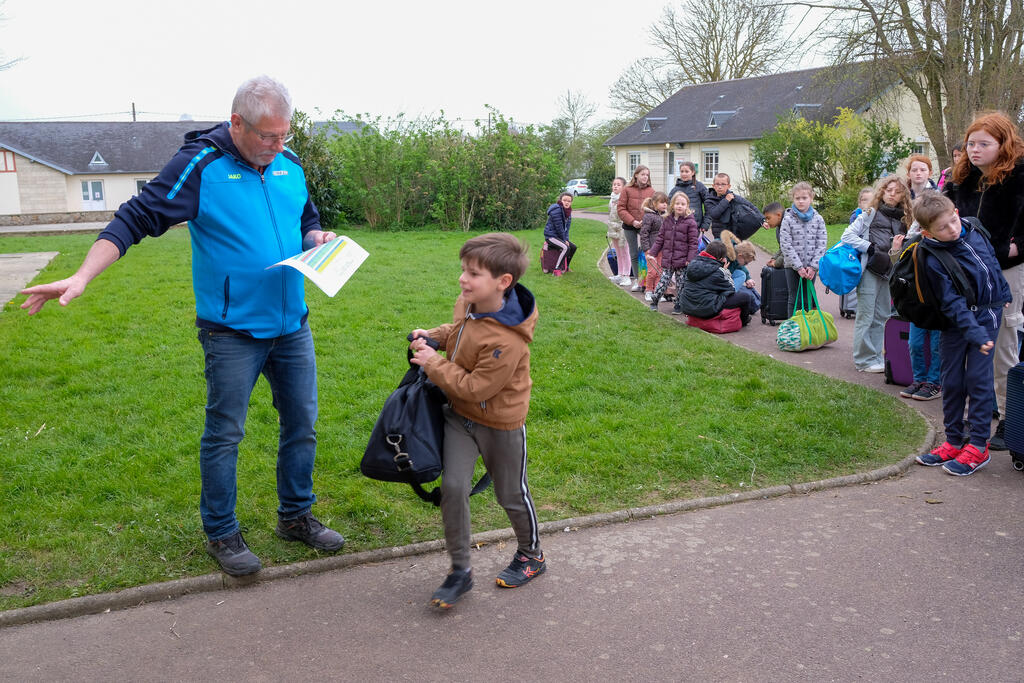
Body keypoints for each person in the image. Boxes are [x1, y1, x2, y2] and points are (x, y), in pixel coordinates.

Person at [19, 75, 345, 576]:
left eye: (285, 136)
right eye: (268, 137)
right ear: (237, 123)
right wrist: (82, 275)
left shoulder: (289, 164)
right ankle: (222, 532)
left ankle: (296, 517)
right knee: (225, 432)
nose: (279, 147)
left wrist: (317, 235)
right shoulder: (199, 166)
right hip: (231, 331)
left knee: (301, 424)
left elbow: (305, 216)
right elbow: (135, 217)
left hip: (291, 324)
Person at [408, 232, 543, 609]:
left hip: (500, 423)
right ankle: (460, 570)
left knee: (511, 494)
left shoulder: (508, 341)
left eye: (473, 273)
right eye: (463, 270)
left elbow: (475, 387)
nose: (463, 279)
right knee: (452, 488)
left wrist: (433, 365)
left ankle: (532, 555)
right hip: (459, 418)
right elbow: (459, 333)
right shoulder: (469, 304)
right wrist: (433, 337)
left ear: (503, 283)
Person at [912, 192, 1011, 475]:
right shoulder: (931, 258)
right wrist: (975, 334)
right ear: (926, 232)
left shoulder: (975, 229)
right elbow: (952, 304)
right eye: (942, 228)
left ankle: (979, 446)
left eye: (953, 221)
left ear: (956, 211)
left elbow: (992, 262)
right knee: (952, 381)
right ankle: (954, 440)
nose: (952, 230)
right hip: (957, 323)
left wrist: (1003, 292)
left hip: (988, 315)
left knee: (979, 382)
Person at [944, 111, 1024, 450]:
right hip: (963, 275)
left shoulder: (1019, 177)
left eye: (983, 144)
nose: (974, 150)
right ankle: (964, 420)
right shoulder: (961, 178)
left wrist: (1010, 249)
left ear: (1003, 144)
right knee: (961, 345)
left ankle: (1009, 420)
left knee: (1003, 344)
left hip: (1005, 273)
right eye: (970, 143)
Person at [841, 176, 912, 373]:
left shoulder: (904, 218)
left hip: (888, 271)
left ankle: (875, 356)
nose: (892, 194)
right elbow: (846, 236)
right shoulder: (871, 213)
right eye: (888, 190)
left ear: (903, 195)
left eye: (897, 191)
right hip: (870, 270)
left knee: (881, 315)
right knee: (866, 314)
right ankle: (863, 360)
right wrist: (869, 247)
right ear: (882, 191)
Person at [779, 182, 829, 317]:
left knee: (807, 300)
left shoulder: (818, 219)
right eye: (797, 198)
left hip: (811, 268)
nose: (801, 201)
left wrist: (813, 267)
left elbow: (822, 243)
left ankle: (807, 332)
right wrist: (799, 267)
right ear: (793, 199)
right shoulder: (787, 219)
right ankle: (792, 332)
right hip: (792, 266)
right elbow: (785, 244)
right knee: (794, 298)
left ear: (811, 198)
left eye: (804, 198)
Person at [677, 240, 755, 325]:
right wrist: (725, 272)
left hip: (687, 306)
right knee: (746, 297)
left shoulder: (693, 263)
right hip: (705, 308)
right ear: (722, 259)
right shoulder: (718, 271)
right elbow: (731, 289)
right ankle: (743, 321)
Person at [648, 191, 699, 314]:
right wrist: (652, 253)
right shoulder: (667, 220)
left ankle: (679, 305)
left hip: (682, 261)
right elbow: (660, 238)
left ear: (687, 205)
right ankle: (655, 300)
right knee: (663, 281)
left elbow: (693, 243)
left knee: (681, 284)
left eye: (682, 204)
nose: (679, 206)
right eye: (677, 203)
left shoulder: (690, 222)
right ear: (672, 205)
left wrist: (690, 259)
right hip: (669, 259)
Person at [617, 165, 655, 291]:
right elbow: (621, 209)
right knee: (633, 253)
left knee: (647, 253)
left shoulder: (651, 191)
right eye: (643, 174)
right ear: (636, 175)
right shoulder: (627, 190)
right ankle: (638, 282)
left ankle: (648, 281)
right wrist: (632, 221)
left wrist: (645, 221)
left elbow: (654, 209)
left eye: (647, 175)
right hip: (630, 226)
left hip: (646, 226)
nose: (645, 177)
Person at [719, 229, 761, 313]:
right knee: (741, 275)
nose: (745, 265)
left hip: (722, 277)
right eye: (745, 262)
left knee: (742, 274)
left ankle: (731, 293)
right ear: (740, 255)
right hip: (718, 280)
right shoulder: (726, 256)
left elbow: (739, 266)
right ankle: (729, 296)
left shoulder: (735, 252)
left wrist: (748, 278)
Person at [639, 191, 669, 300]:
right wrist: (646, 249)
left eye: (666, 202)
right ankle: (648, 291)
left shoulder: (665, 216)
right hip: (651, 249)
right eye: (662, 202)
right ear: (654, 203)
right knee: (652, 271)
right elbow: (644, 233)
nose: (665, 205)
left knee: (660, 271)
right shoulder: (648, 216)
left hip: (663, 249)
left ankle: (657, 292)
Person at [668, 161, 712, 235]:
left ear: (693, 172)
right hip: (678, 227)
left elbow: (709, 205)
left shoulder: (699, 186)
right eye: (682, 171)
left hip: (694, 226)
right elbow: (668, 207)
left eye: (686, 171)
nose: (684, 174)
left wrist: (706, 223)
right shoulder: (675, 189)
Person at [607, 176, 632, 285]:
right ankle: (620, 273)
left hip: (623, 228)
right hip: (613, 228)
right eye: (614, 184)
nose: (615, 186)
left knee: (625, 252)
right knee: (618, 252)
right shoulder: (612, 199)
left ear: (623, 187)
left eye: (618, 184)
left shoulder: (625, 199)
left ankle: (627, 276)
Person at [544, 192, 576, 276]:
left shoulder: (568, 212)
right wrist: (564, 240)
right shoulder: (557, 210)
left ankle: (566, 267)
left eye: (569, 201)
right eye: (564, 200)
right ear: (560, 201)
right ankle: (556, 269)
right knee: (566, 247)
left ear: (571, 202)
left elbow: (566, 229)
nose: (567, 202)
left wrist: (567, 240)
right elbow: (559, 228)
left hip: (558, 236)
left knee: (573, 247)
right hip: (551, 236)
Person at [762, 202, 785, 269]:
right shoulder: (778, 227)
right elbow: (782, 248)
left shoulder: (790, 224)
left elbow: (789, 249)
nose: (767, 221)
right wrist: (774, 258)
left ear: (779, 215)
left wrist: (776, 263)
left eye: (768, 218)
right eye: (765, 219)